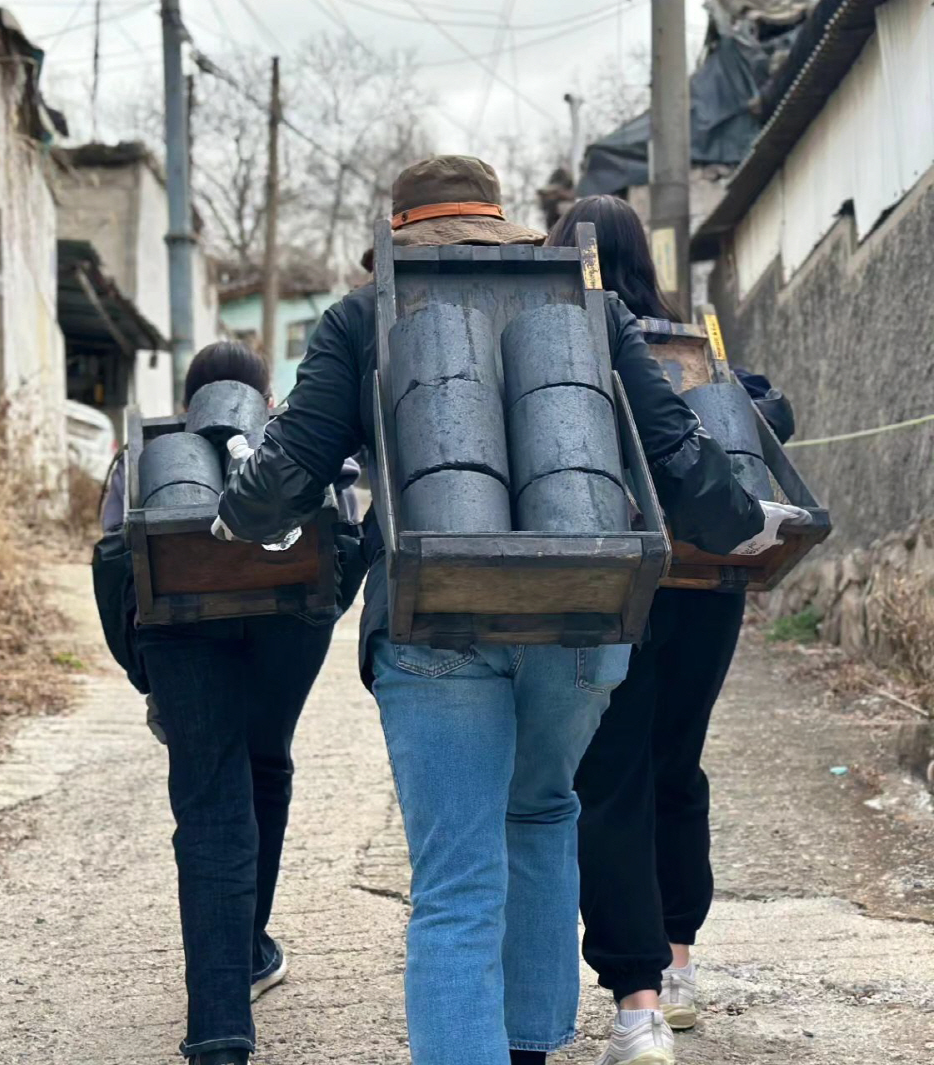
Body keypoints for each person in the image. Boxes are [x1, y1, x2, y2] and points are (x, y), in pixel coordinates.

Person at [212, 156, 796, 1065]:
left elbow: (288, 470)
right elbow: (677, 450)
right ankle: (529, 1052)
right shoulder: (587, 310)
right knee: (542, 814)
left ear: (400, 234)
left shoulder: (362, 316)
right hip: (582, 616)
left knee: (455, 880)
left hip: (435, 619)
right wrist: (744, 519)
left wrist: (237, 511)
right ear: (502, 224)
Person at [548, 195, 796, 1065]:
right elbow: (771, 419)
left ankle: (638, 1003)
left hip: (607, 581)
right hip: (707, 584)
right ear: (641, 261)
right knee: (676, 763)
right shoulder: (692, 351)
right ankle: (680, 962)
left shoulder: (563, 345)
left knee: (608, 778)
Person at [94, 340, 361, 1065]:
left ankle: (220, 1031)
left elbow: (113, 563)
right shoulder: (297, 445)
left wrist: (144, 672)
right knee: (266, 764)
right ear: (267, 400)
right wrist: (316, 616)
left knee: (210, 803)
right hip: (288, 624)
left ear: (187, 403)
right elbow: (350, 535)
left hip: (178, 629)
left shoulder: (146, 451)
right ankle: (245, 950)